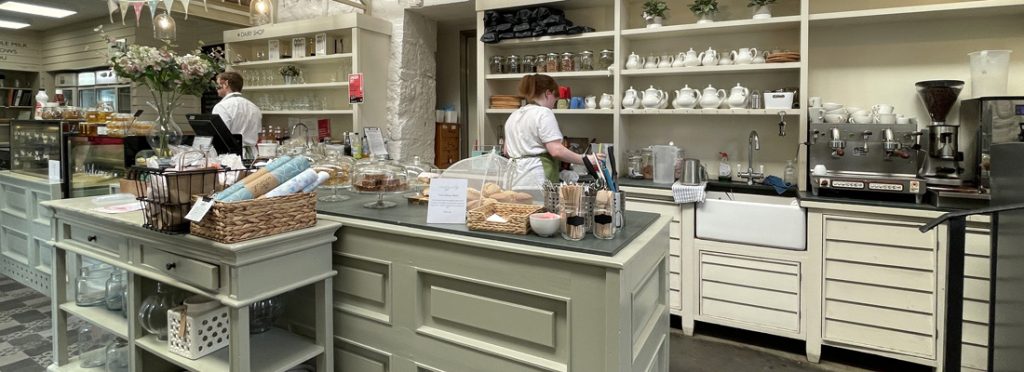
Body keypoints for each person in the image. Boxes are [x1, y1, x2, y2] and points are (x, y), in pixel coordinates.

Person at [504, 74, 601, 189]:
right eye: (555, 100)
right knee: (539, 207)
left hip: (512, 178)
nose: (553, 105)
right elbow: (556, 150)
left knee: (515, 207)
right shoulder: (543, 113)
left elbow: (506, 151)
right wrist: (586, 160)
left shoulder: (514, 115)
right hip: (535, 179)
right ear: (548, 93)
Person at [211, 71, 261, 146]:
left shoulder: (221, 107)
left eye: (218, 85)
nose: (216, 88)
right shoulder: (254, 107)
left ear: (226, 84)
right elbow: (257, 133)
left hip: (230, 155)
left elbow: (220, 137)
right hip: (251, 154)